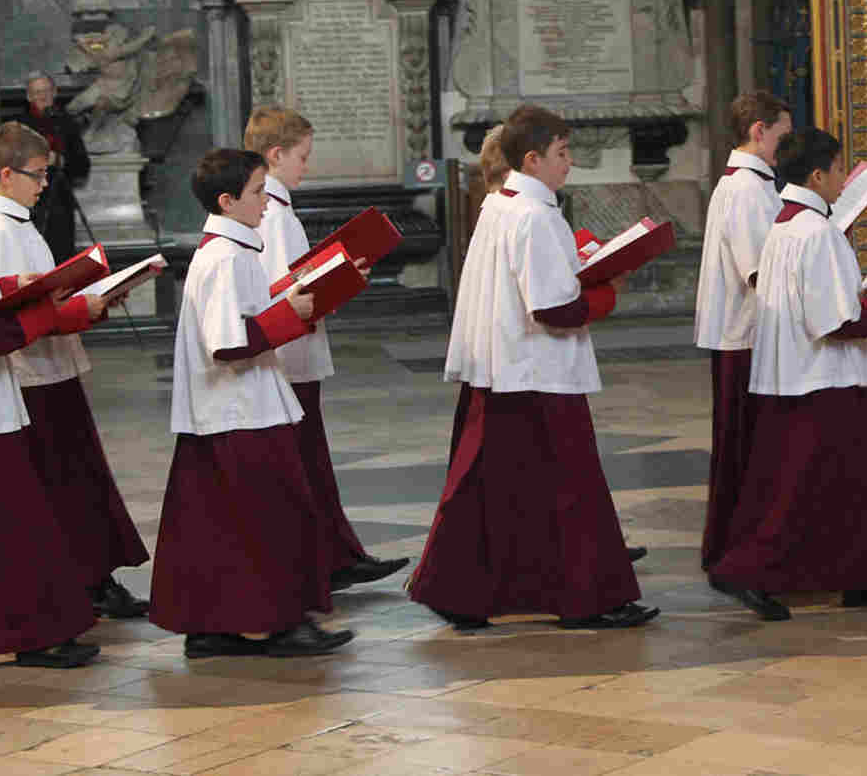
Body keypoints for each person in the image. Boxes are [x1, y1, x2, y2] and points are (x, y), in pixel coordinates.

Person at [408, 104, 658, 630]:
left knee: (496, 490)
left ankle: (457, 590)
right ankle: (586, 598)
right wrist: (607, 292)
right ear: (532, 159)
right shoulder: (536, 216)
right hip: (537, 372)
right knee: (569, 489)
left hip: (504, 369)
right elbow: (552, 310)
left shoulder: (502, 204)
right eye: (561, 153)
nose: (569, 163)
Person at [709, 127, 867, 620]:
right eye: (838, 169)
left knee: (844, 487)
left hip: (794, 376)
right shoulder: (818, 232)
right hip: (822, 380)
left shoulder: (785, 226)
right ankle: (748, 572)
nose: (843, 180)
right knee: (799, 490)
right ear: (816, 174)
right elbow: (836, 322)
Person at [150, 148, 354, 658]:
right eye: (258, 192)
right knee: (273, 520)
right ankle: (280, 624)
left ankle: (216, 626)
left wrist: (298, 298)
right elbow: (228, 342)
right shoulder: (226, 258)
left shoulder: (233, 250)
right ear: (226, 201)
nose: (266, 201)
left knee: (226, 528)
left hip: (238, 408)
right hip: (239, 411)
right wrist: (292, 314)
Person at [0, 121, 149, 619]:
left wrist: (92, 299)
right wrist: (76, 308)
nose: (45, 183)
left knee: (80, 480)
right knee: (59, 483)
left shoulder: (21, 224)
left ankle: (95, 577)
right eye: (37, 174)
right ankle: (82, 583)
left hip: (54, 369)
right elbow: (3, 316)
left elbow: (38, 297)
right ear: (6, 176)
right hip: (30, 377)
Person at [244, 106, 410, 592]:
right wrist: (334, 283)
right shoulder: (273, 216)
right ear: (276, 155)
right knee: (304, 462)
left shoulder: (278, 210)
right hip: (288, 358)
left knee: (312, 461)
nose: (307, 166)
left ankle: (337, 554)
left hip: (296, 352)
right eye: (302, 156)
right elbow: (283, 292)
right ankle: (327, 559)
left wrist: (337, 278)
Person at [0, 137, 102, 669]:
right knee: (12, 527)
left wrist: (14, 286)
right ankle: (34, 631)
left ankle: (33, 629)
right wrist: (45, 311)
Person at [695, 90, 790, 572]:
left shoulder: (751, 183)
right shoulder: (748, 189)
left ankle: (737, 542)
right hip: (744, 335)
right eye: (782, 136)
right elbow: (761, 272)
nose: (785, 146)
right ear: (759, 131)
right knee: (744, 447)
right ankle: (737, 547)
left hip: (746, 332)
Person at [15, 72, 91, 263]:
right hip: (30, 206)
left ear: (55, 92)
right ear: (29, 97)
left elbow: (82, 166)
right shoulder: (18, 127)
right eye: (37, 92)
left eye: (47, 91)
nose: (43, 96)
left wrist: (61, 161)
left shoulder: (66, 123)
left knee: (61, 259)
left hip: (60, 204)